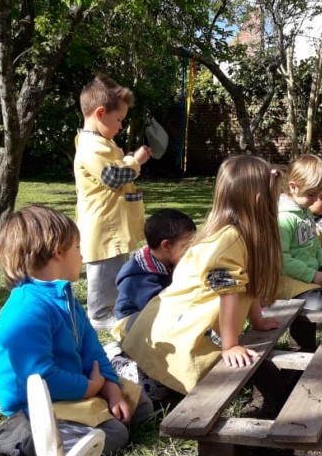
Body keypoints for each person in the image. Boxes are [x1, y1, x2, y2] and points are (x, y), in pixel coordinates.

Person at [0, 205, 153, 456]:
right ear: (58, 252)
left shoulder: (64, 297)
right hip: (35, 408)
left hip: (75, 390)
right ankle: (23, 440)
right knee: (115, 435)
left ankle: (85, 422)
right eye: (77, 248)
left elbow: (91, 350)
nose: (82, 255)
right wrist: (88, 388)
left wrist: (110, 389)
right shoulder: (26, 310)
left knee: (141, 407)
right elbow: (40, 378)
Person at [119, 156, 283, 395]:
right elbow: (228, 291)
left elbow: (248, 285)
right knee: (150, 391)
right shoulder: (228, 240)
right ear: (259, 201)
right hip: (174, 337)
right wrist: (231, 345)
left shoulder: (241, 237)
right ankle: (118, 364)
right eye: (275, 198)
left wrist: (257, 321)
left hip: (182, 330)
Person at [74, 74, 152, 330]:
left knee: (115, 270)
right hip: (102, 227)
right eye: (118, 120)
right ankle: (99, 315)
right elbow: (114, 177)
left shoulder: (102, 144)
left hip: (112, 226)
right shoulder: (90, 147)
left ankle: (114, 308)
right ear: (100, 113)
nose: (120, 126)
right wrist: (135, 161)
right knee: (103, 273)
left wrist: (128, 159)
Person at [276, 155, 322, 311]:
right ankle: (300, 327)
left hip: (311, 275)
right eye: (311, 195)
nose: (316, 200)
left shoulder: (306, 212)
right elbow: (281, 259)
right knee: (317, 305)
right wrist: (312, 275)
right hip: (291, 281)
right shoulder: (284, 218)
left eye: (318, 195)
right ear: (293, 187)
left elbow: (314, 243)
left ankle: (314, 295)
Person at [113, 209, 197, 329]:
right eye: (186, 246)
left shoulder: (170, 260)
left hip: (162, 312)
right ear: (166, 245)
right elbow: (158, 309)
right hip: (133, 322)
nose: (191, 250)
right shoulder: (137, 277)